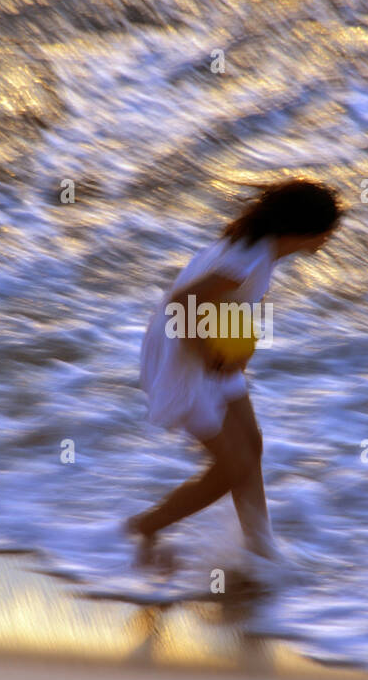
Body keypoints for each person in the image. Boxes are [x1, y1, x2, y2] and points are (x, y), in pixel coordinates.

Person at [126, 179, 343, 567]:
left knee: (252, 447)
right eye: (329, 229)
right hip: (183, 350)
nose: (331, 237)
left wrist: (239, 344)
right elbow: (181, 303)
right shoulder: (249, 261)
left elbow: (234, 304)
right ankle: (147, 525)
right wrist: (207, 351)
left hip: (209, 337)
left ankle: (259, 549)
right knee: (233, 466)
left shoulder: (261, 250)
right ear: (307, 228)